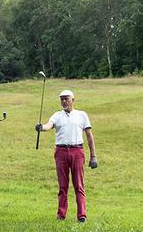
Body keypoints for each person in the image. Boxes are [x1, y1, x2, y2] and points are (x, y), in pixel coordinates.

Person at [35, 90, 97, 222]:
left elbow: (89, 136)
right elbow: (49, 125)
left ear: (72, 100)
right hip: (61, 152)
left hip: (77, 151)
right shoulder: (57, 116)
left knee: (79, 185)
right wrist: (42, 128)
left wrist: (93, 156)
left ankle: (82, 216)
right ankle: (61, 215)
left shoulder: (82, 115)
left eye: (66, 99)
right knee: (63, 186)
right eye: (61, 99)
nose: (63, 101)